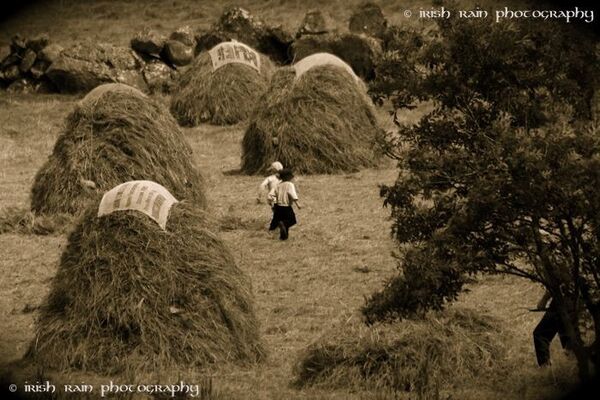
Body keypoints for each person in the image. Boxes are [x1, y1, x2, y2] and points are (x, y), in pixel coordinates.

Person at [533, 290, 573, 366]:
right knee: (568, 336)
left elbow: (554, 283)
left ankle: (546, 369)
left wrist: (544, 300)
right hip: (578, 300)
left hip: (563, 300)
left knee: (540, 334)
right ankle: (574, 365)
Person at [268, 168, 301, 240]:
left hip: (278, 207)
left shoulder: (278, 185)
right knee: (292, 220)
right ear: (288, 177)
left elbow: (271, 195)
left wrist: (273, 203)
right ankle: (283, 224)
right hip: (286, 207)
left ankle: (283, 237)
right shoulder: (290, 184)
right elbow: (292, 195)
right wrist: (298, 204)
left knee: (281, 221)